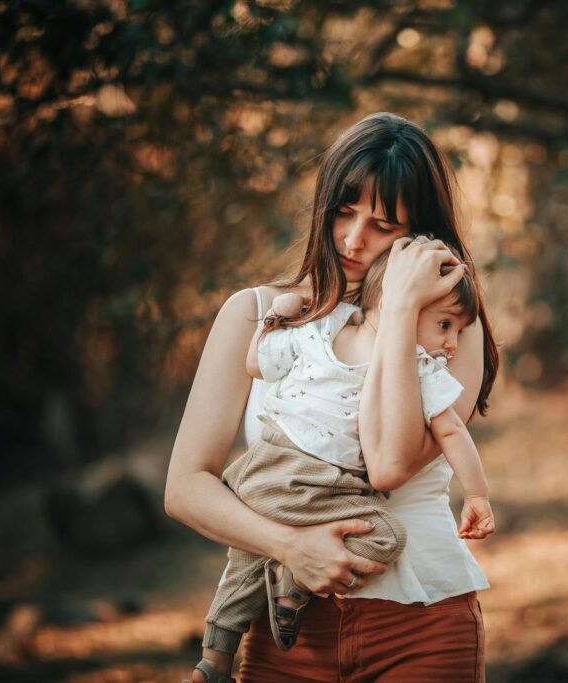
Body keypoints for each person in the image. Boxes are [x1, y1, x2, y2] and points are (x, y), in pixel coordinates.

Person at [165, 111, 500, 682]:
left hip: (421, 626)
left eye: (382, 225)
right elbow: (184, 488)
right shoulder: (256, 313)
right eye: (344, 211)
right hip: (285, 639)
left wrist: (398, 309)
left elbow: (389, 464)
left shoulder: (450, 329)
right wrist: (290, 547)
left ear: (419, 237)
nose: (353, 239)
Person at [188, 248, 496, 680]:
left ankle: (213, 661)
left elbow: (258, 362)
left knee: (243, 566)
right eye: (445, 326)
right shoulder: (412, 364)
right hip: (322, 484)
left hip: (262, 473)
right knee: (385, 536)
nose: (453, 344)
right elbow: (449, 433)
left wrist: (277, 319)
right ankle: (289, 578)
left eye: (459, 330)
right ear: (396, 299)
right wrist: (477, 495)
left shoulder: (320, 328)